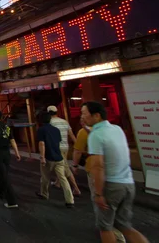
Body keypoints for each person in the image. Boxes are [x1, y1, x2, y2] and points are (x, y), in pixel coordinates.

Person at [82, 101, 149, 243]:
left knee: (105, 227)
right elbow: (104, 139)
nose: (82, 117)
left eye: (85, 114)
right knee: (124, 225)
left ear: (96, 115)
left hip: (111, 186)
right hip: (128, 184)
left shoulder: (96, 135)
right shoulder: (117, 129)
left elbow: (98, 166)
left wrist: (99, 194)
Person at [73, 117, 126, 242]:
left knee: (100, 202)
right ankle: (116, 228)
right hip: (115, 171)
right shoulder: (114, 129)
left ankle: (114, 234)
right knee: (114, 203)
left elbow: (77, 150)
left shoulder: (83, 132)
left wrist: (75, 165)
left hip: (96, 171)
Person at [36, 112, 74, 207]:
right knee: (63, 179)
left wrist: (42, 157)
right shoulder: (56, 130)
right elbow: (58, 142)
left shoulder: (41, 130)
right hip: (59, 157)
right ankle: (70, 200)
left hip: (48, 158)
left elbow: (42, 144)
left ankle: (44, 194)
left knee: (45, 177)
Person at [48, 105, 82, 196]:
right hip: (65, 147)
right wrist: (78, 145)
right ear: (57, 112)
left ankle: (76, 189)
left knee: (65, 167)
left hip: (57, 147)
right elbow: (71, 134)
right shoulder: (64, 121)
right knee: (61, 165)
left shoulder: (50, 122)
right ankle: (57, 183)